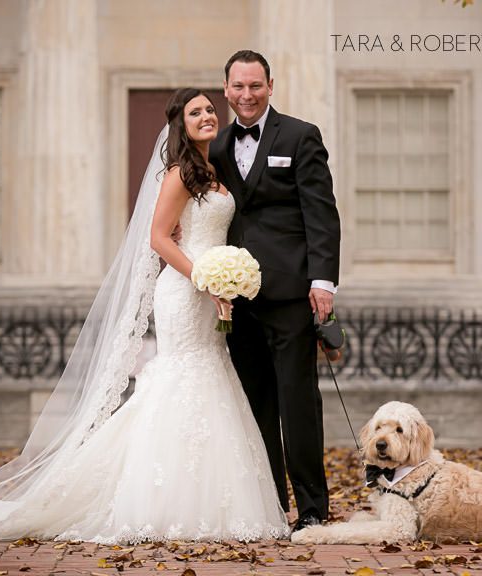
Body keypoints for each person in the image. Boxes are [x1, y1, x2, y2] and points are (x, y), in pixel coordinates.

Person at [0, 88, 289, 546]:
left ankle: (215, 500)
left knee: (211, 374)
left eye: (208, 110)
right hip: (183, 289)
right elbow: (159, 239)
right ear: (180, 123)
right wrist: (203, 276)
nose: (206, 116)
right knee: (182, 376)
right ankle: (157, 500)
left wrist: (225, 284)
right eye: (195, 112)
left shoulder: (214, 171)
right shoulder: (179, 174)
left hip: (211, 292)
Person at [209, 50, 342, 532]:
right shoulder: (218, 145)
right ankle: (268, 503)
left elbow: (321, 214)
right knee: (255, 402)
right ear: (226, 89)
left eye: (256, 86)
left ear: (270, 86)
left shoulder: (301, 136)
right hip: (237, 298)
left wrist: (322, 282)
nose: (247, 95)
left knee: (297, 401)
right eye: (238, 87)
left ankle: (311, 507)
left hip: (290, 294)